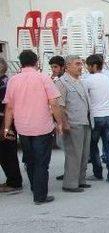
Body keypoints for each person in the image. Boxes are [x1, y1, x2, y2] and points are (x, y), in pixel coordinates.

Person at [3, 50, 63, 204]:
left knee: (29, 160)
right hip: (42, 127)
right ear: (36, 62)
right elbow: (54, 103)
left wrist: (6, 128)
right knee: (42, 162)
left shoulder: (13, 81)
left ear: (21, 62)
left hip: (23, 128)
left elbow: (9, 107)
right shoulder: (43, 78)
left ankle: (35, 188)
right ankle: (40, 196)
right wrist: (60, 123)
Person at [55, 55, 91, 193]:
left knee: (83, 154)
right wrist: (64, 123)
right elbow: (60, 106)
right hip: (72, 123)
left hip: (84, 121)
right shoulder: (62, 83)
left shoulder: (80, 81)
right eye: (77, 64)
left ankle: (81, 180)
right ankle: (70, 183)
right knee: (73, 154)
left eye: (81, 64)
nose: (80, 66)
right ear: (67, 66)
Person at [84, 54, 109, 183]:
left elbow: (86, 99)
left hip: (95, 117)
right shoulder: (108, 79)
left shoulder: (87, 81)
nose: (87, 68)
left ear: (94, 66)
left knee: (93, 146)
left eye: (88, 66)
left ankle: (98, 173)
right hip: (108, 116)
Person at [0, 58, 23, 194]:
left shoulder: (6, 83)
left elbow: (8, 106)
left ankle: (14, 182)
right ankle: (11, 179)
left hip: (5, 121)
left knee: (7, 152)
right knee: (3, 153)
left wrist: (5, 126)